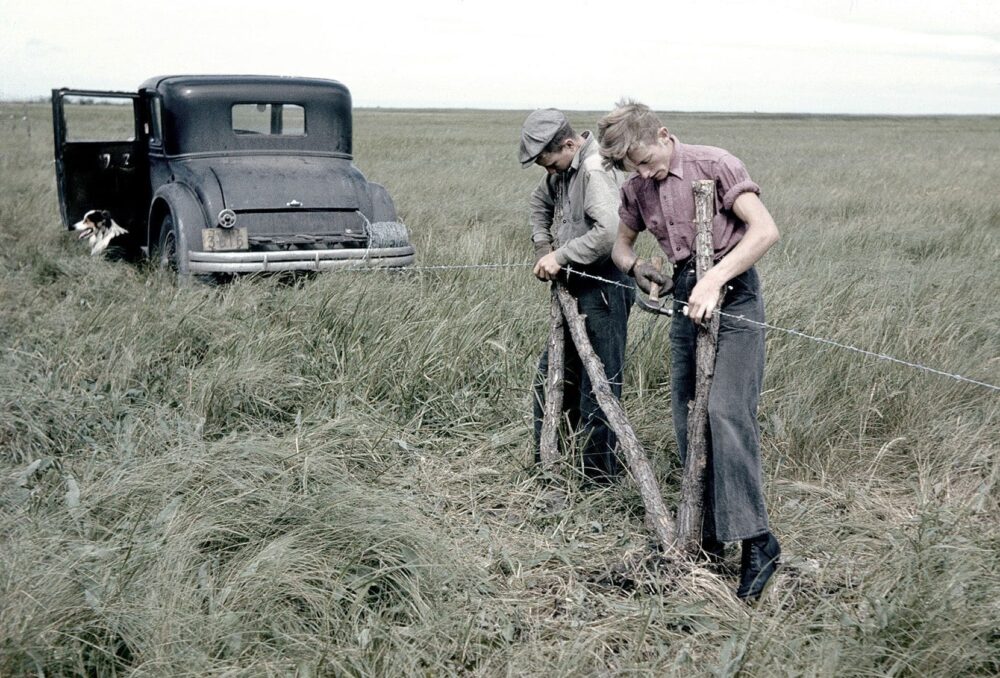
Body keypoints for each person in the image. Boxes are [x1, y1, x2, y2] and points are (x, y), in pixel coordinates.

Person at [597, 99, 781, 600]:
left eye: (644, 158)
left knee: (725, 413)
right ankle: (705, 534)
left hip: (735, 294)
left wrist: (716, 278)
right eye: (631, 167)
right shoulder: (638, 187)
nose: (642, 171)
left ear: (662, 133)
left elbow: (765, 230)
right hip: (686, 295)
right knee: (688, 417)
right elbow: (621, 247)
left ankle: (757, 541)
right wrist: (638, 268)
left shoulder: (715, 164)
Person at [519, 108, 634, 483]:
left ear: (569, 144)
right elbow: (539, 204)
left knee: (598, 385)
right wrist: (543, 247)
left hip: (603, 286)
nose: (547, 171)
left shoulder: (594, 169)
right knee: (552, 376)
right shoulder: (561, 171)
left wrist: (560, 255)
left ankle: (598, 478)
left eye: (548, 161)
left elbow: (608, 233)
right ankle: (552, 462)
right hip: (573, 284)